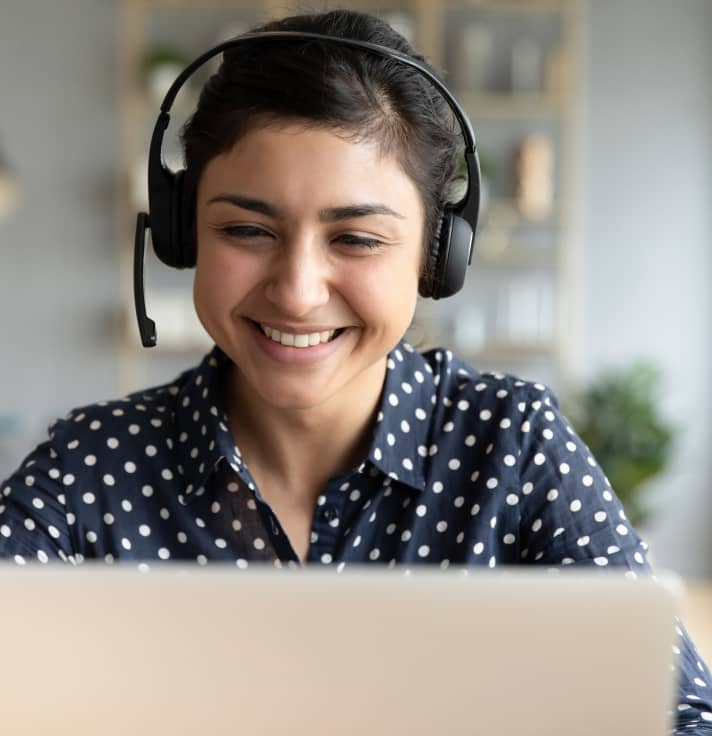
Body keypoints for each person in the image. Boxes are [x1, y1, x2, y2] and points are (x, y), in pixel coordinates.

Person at [1, 8, 710, 732]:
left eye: (358, 238)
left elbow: (681, 713)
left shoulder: (513, 442)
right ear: (183, 233)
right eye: (246, 229)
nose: (298, 289)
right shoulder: (90, 465)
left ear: (436, 257)